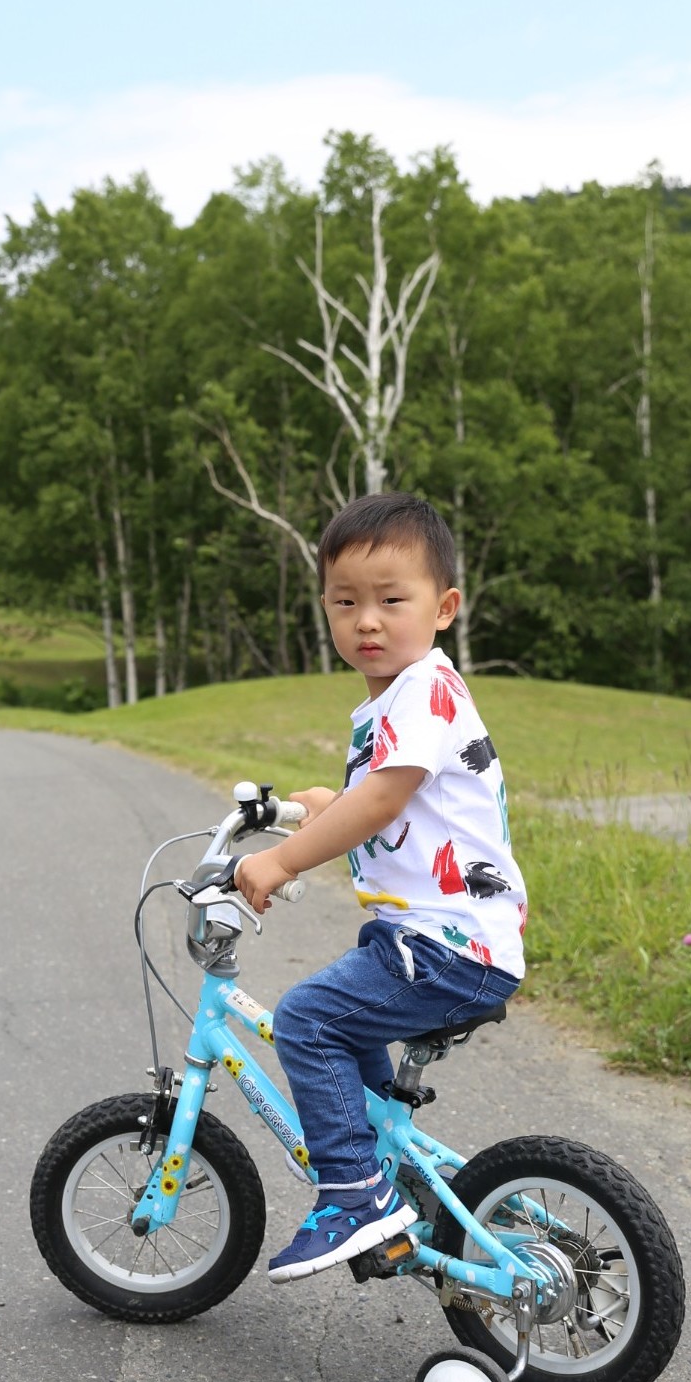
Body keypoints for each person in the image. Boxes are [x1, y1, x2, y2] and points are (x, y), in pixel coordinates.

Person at [234, 491, 526, 1283]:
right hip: (433, 940)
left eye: (391, 600)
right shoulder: (392, 702)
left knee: (307, 1019)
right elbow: (384, 807)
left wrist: (283, 860)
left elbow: (384, 800)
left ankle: (355, 1199)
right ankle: (392, 1183)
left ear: (444, 608)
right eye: (345, 602)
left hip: (443, 945)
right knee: (349, 1030)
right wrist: (318, 811)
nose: (367, 620)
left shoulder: (425, 688)